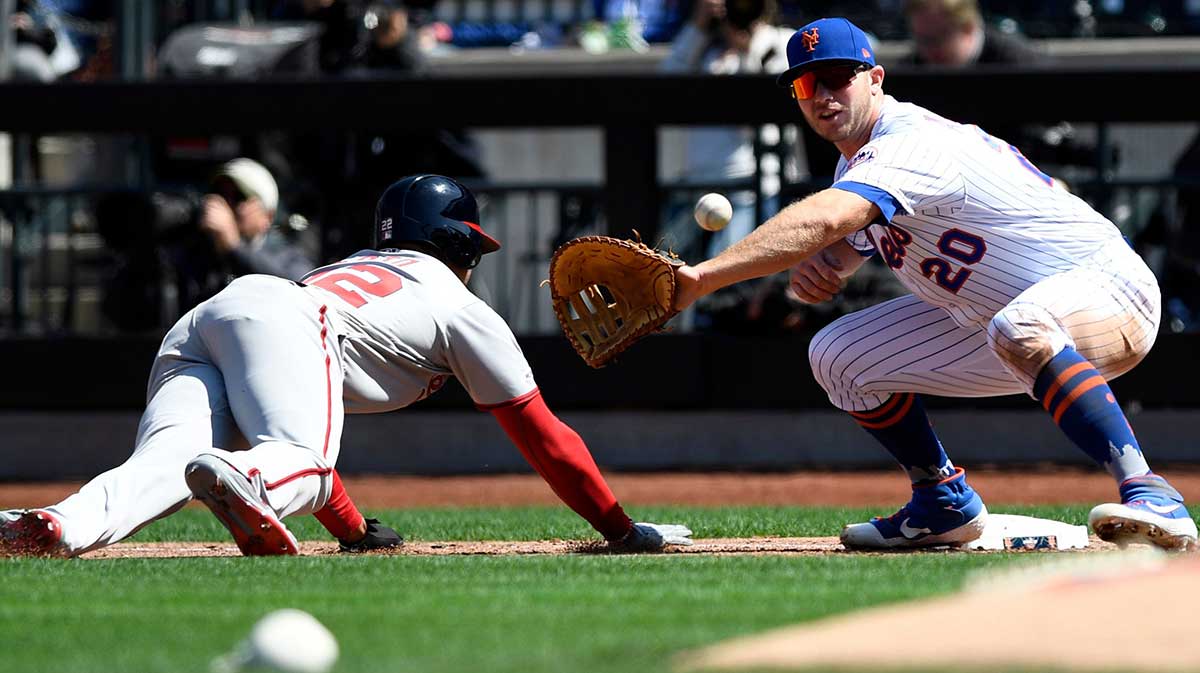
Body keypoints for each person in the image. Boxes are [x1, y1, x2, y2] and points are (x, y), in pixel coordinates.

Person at [670, 17, 1196, 551]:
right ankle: (943, 501)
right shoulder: (855, 161)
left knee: (1020, 325)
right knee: (838, 354)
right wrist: (824, 265)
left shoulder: (910, 142)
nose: (823, 95)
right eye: (808, 85)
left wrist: (702, 277)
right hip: (997, 318)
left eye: (837, 78)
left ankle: (1152, 494)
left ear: (875, 78)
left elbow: (827, 218)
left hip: (1109, 292)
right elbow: (843, 242)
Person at [0, 174, 693, 558]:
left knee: (162, 463)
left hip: (216, 317)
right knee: (295, 457)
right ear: (460, 245)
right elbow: (546, 437)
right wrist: (621, 528)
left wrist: (354, 529)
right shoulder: (456, 303)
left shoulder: (351, 268)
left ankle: (59, 523)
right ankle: (244, 472)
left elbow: (294, 386)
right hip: (290, 322)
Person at [165, 157, 316, 315]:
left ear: (268, 215)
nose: (226, 205)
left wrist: (234, 246)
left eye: (238, 197)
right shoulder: (195, 253)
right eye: (220, 195)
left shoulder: (287, 256)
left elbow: (301, 290)